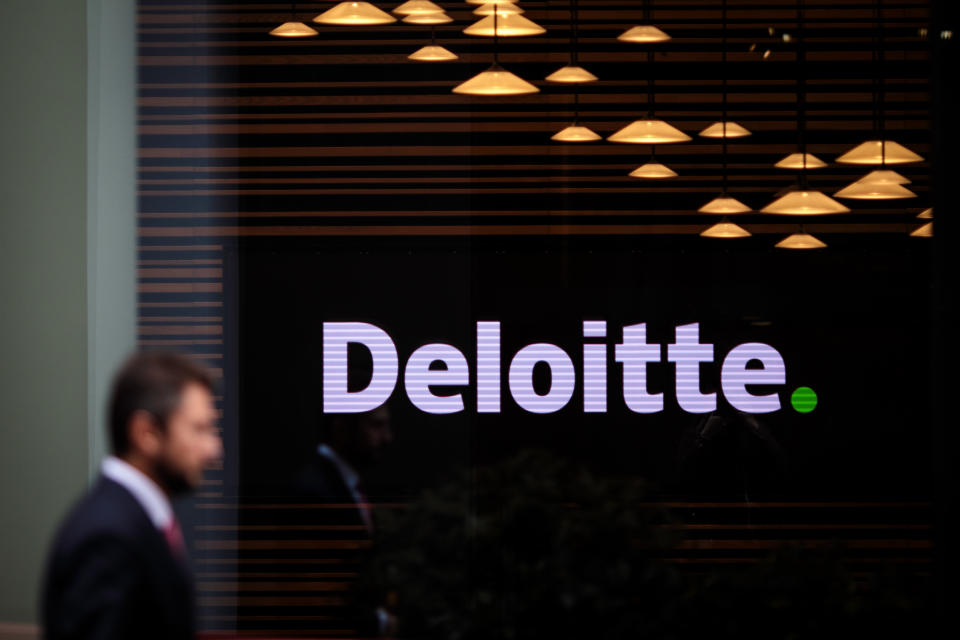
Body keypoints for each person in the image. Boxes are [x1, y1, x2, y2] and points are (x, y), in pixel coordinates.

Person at [42, 352, 222, 640]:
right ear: (146, 433)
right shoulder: (107, 537)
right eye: (199, 429)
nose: (213, 450)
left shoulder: (134, 521)